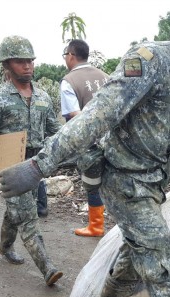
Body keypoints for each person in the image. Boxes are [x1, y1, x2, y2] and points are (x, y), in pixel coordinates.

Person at [0, 1, 170, 297]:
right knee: (166, 265)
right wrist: (39, 166)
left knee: (133, 259)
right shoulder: (148, 60)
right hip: (126, 184)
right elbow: (96, 116)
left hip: (152, 186)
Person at [0, 35, 63, 286]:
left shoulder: (44, 97)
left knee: (17, 210)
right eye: (21, 62)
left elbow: (56, 131)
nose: (28, 66)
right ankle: (48, 268)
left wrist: (66, 153)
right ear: (7, 65)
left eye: (30, 61)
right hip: (10, 165)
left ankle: (4, 246)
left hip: (35, 165)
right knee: (26, 215)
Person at [61, 39, 110, 237]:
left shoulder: (69, 81)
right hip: (115, 139)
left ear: (71, 55)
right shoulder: (105, 76)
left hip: (90, 142)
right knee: (114, 182)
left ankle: (96, 226)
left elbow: (74, 114)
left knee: (92, 183)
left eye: (65, 55)